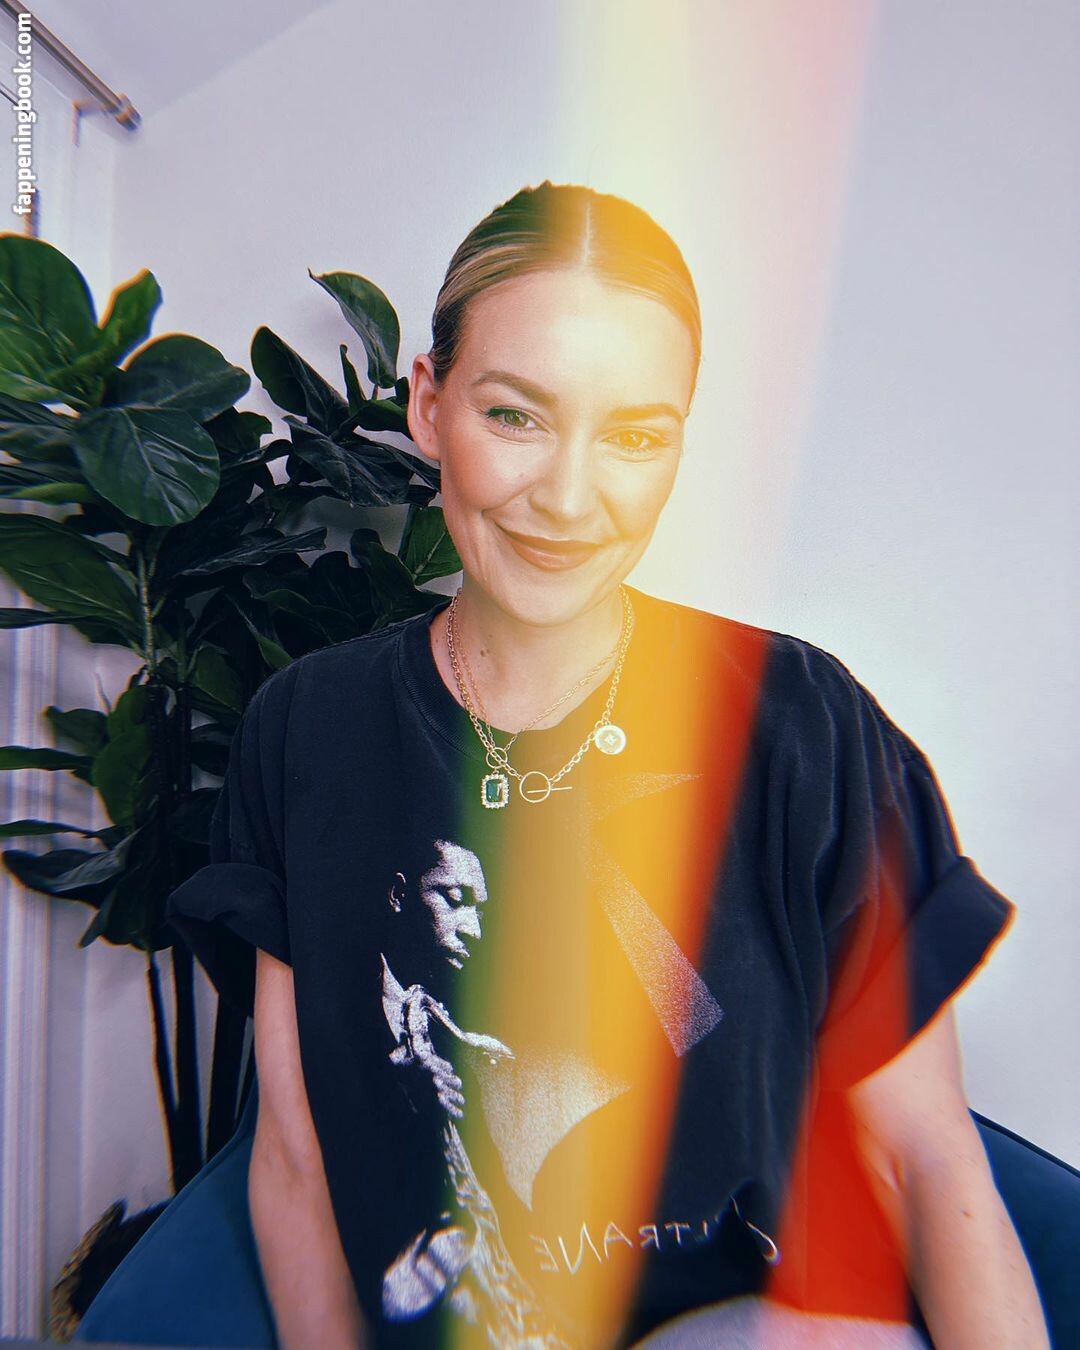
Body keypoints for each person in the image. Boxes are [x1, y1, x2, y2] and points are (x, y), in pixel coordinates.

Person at [166, 181, 1049, 1349]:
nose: (569, 498)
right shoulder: (305, 731)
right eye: (515, 415)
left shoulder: (803, 722)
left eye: (634, 434)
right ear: (428, 405)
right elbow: (295, 1153)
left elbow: (926, 1159)